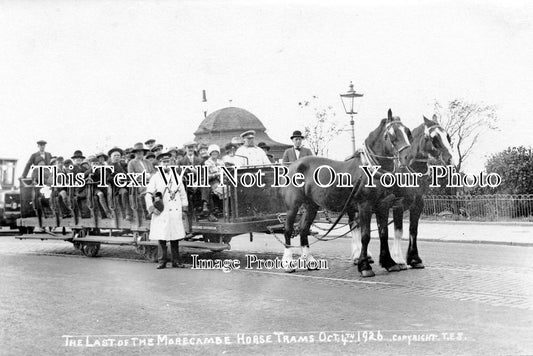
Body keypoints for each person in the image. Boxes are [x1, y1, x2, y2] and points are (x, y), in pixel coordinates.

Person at [145, 152, 188, 269]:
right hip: (162, 211)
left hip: (175, 210)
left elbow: (183, 194)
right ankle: (162, 261)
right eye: (164, 162)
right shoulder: (155, 177)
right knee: (162, 237)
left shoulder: (177, 177)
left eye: (168, 161)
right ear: (159, 163)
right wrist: (152, 208)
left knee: (175, 237)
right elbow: (148, 194)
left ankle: (176, 261)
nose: (166, 164)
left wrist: (184, 208)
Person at [108, 147, 134, 221]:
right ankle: (127, 213)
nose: (117, 157)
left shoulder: (124, 165)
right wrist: (118, 179)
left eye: (118, 155)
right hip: (117, 187)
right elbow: (108, 178)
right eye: (115, 156)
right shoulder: (109, 167)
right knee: (124, 192)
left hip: (128, 184)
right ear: (111, 157)